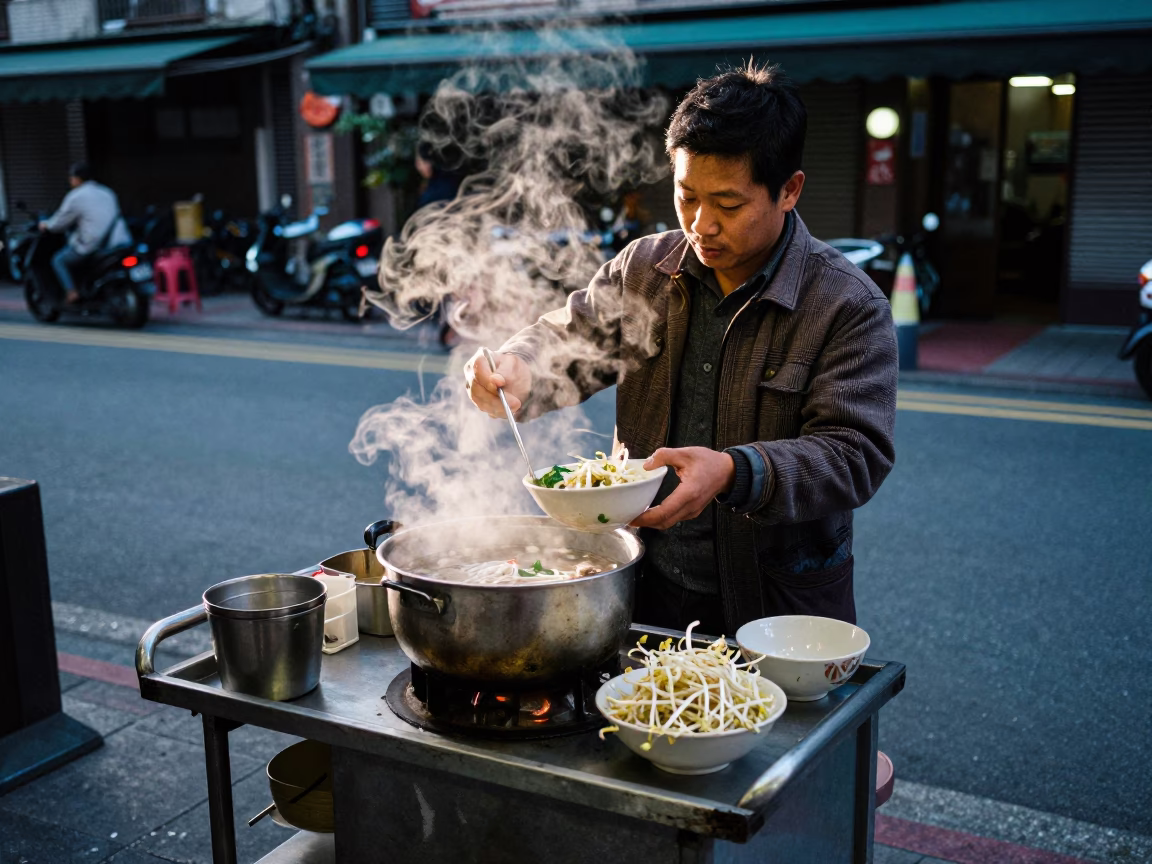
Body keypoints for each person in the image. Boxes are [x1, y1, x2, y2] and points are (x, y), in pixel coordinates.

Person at [465, 62, 898, 636]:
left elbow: (854, 454)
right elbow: (569, 338)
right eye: (686, 196)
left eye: (728, 204)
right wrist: (519, 368)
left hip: (775, 602)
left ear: (788, 190)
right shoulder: (644, 269)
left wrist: (735, 471)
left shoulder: (846, 304)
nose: (702, 225)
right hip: (643, 580)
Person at [39, 163, 131, 304]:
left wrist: (46, 225)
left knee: (58, 260)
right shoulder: (107, 192)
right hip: (120, 241)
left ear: (77, 179)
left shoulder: (76, 196)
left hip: (94, 246)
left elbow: (60, 222)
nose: (70, 181)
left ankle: (71, 292)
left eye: (71, 177)